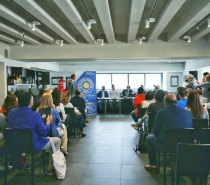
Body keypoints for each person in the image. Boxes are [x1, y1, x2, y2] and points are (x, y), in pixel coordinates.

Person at [8, 91, 61, 174]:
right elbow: (44, 133)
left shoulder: (12, 112)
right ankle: (51, 168)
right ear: (30, 102)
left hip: (16, 145)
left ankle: (28, 163)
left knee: (29, 138)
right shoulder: (35, 115)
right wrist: (48, 123)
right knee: (57, 140)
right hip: (33, 145)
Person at [144, 93, 192, 172]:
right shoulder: (187, 113)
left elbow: (155, 131)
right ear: (176, 102)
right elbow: (189, 128)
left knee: (149, 138)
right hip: (183, 144)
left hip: (165, 144)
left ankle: (153, 165)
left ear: (165, 102)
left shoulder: (161, 112)